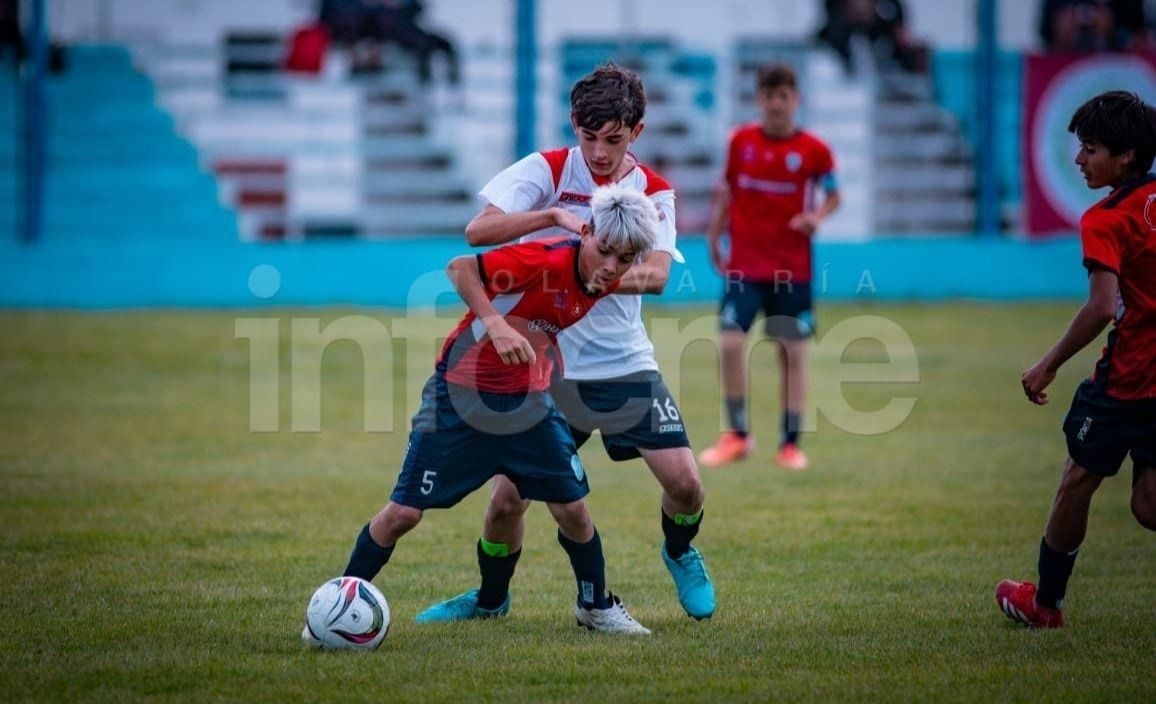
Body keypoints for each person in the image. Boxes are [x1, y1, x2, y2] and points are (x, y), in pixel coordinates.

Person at [413, 63, 717, 625]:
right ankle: (489, 599)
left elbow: (654, 274)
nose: (599, 153)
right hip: (545, 369)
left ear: (637, 132)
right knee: (506, 500)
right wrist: (551, 217)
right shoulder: (548, 170)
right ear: (574, 125)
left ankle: (678, 551)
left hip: (624, 365)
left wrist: (580, 276)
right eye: (589, 137)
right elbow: (477, 233)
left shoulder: (651, 191)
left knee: (687, 485)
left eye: (614, 140)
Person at [304, 182, 658, 639]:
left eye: (624, 260)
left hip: (529, 406)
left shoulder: (600, 281)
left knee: (573, 509)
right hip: (460, 398)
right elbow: (460, 268)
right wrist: (495, 326)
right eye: (605, 250)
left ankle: (595, 606)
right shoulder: (545, 260)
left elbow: (543, 320)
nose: (610, 266)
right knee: (403, 515)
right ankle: (338, 604)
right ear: (587, 232)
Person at [996, 90, 1156, 629]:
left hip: (1130, 380)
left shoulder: (1106, 219)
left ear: (1126, 156)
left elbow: (1101, 307)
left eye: (1089, 148)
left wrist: (1048, 364)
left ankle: (1045, 606)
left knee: (1078, 479)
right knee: (1148, 506)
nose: (1078, 160)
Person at [698, 63, 840, 472]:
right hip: (745, 264)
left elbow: (833, 195)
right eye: (770, 96)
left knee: (791, 352)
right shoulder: (740, 142)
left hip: (791, 268)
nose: (777, 104)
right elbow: (726, 191)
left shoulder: (814, 150)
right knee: (728, 342)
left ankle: (790, 444)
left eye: (784, 96)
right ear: (759, 100)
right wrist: (714, 235)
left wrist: (817, 216)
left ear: (796, 100)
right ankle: (737, 435)